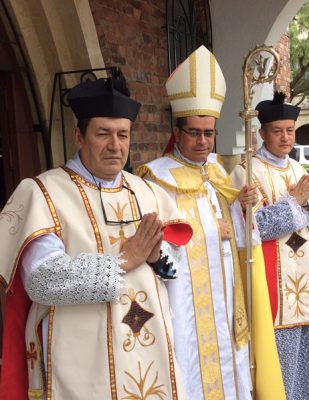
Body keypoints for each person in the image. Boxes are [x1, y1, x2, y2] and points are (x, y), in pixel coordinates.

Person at [0, 77, 193, 399]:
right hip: (82, 359)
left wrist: (157, 259)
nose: (115, 145)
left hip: (150, 348)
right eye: (103, 134)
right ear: (79, 136)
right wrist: (122, 261)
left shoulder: (149, 193)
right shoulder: (44, 193)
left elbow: (175, 273)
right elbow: (42, 281)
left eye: (123, 135)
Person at [137, 46, 285, 400]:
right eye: (195, 132)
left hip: (226, 292)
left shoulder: (219, 171)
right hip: (185, 297)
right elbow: (156, 245)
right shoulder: (154, 179)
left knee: (231, 364)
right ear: (177, 131)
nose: (203, 142)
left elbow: (239, 236)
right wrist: (210, 230)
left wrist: (244, 209)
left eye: (209, 133)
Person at [231, 91, 309, 400]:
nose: (285, 137)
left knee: (308, 348)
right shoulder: (246, 171)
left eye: (290, 130)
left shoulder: (298, 169)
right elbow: (252, 229)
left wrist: (304, 206)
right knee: (279, 356)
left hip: (304, 277)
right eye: (277, 131)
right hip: (271, 279)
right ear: (262, 133)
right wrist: (294, 203)